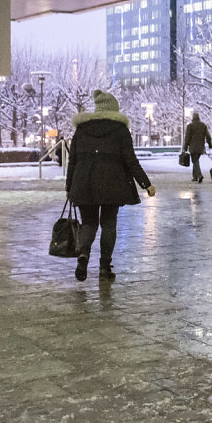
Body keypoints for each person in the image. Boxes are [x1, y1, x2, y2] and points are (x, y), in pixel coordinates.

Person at [65, 90, 156, 282]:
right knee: (109, 224)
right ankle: (105, 267)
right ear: (113, 110)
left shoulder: (82, 129)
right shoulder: (119, 130)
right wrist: (145, 184)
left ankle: (83, 256)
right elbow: (130, 160)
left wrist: (69, 186)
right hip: (112, 184)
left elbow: (72, 160)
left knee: (88, 223)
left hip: (84, 184)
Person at [182, 111, 212, 183]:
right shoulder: (203, 125)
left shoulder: (190, 126)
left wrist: (185, 147)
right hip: (201, 147)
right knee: (196, 161)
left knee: (195, 161)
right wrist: (210, 144)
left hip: (193, 147)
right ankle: (195, 176)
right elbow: (208, 136)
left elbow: (187, 138)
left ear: (193, 118)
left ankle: (199, 175)